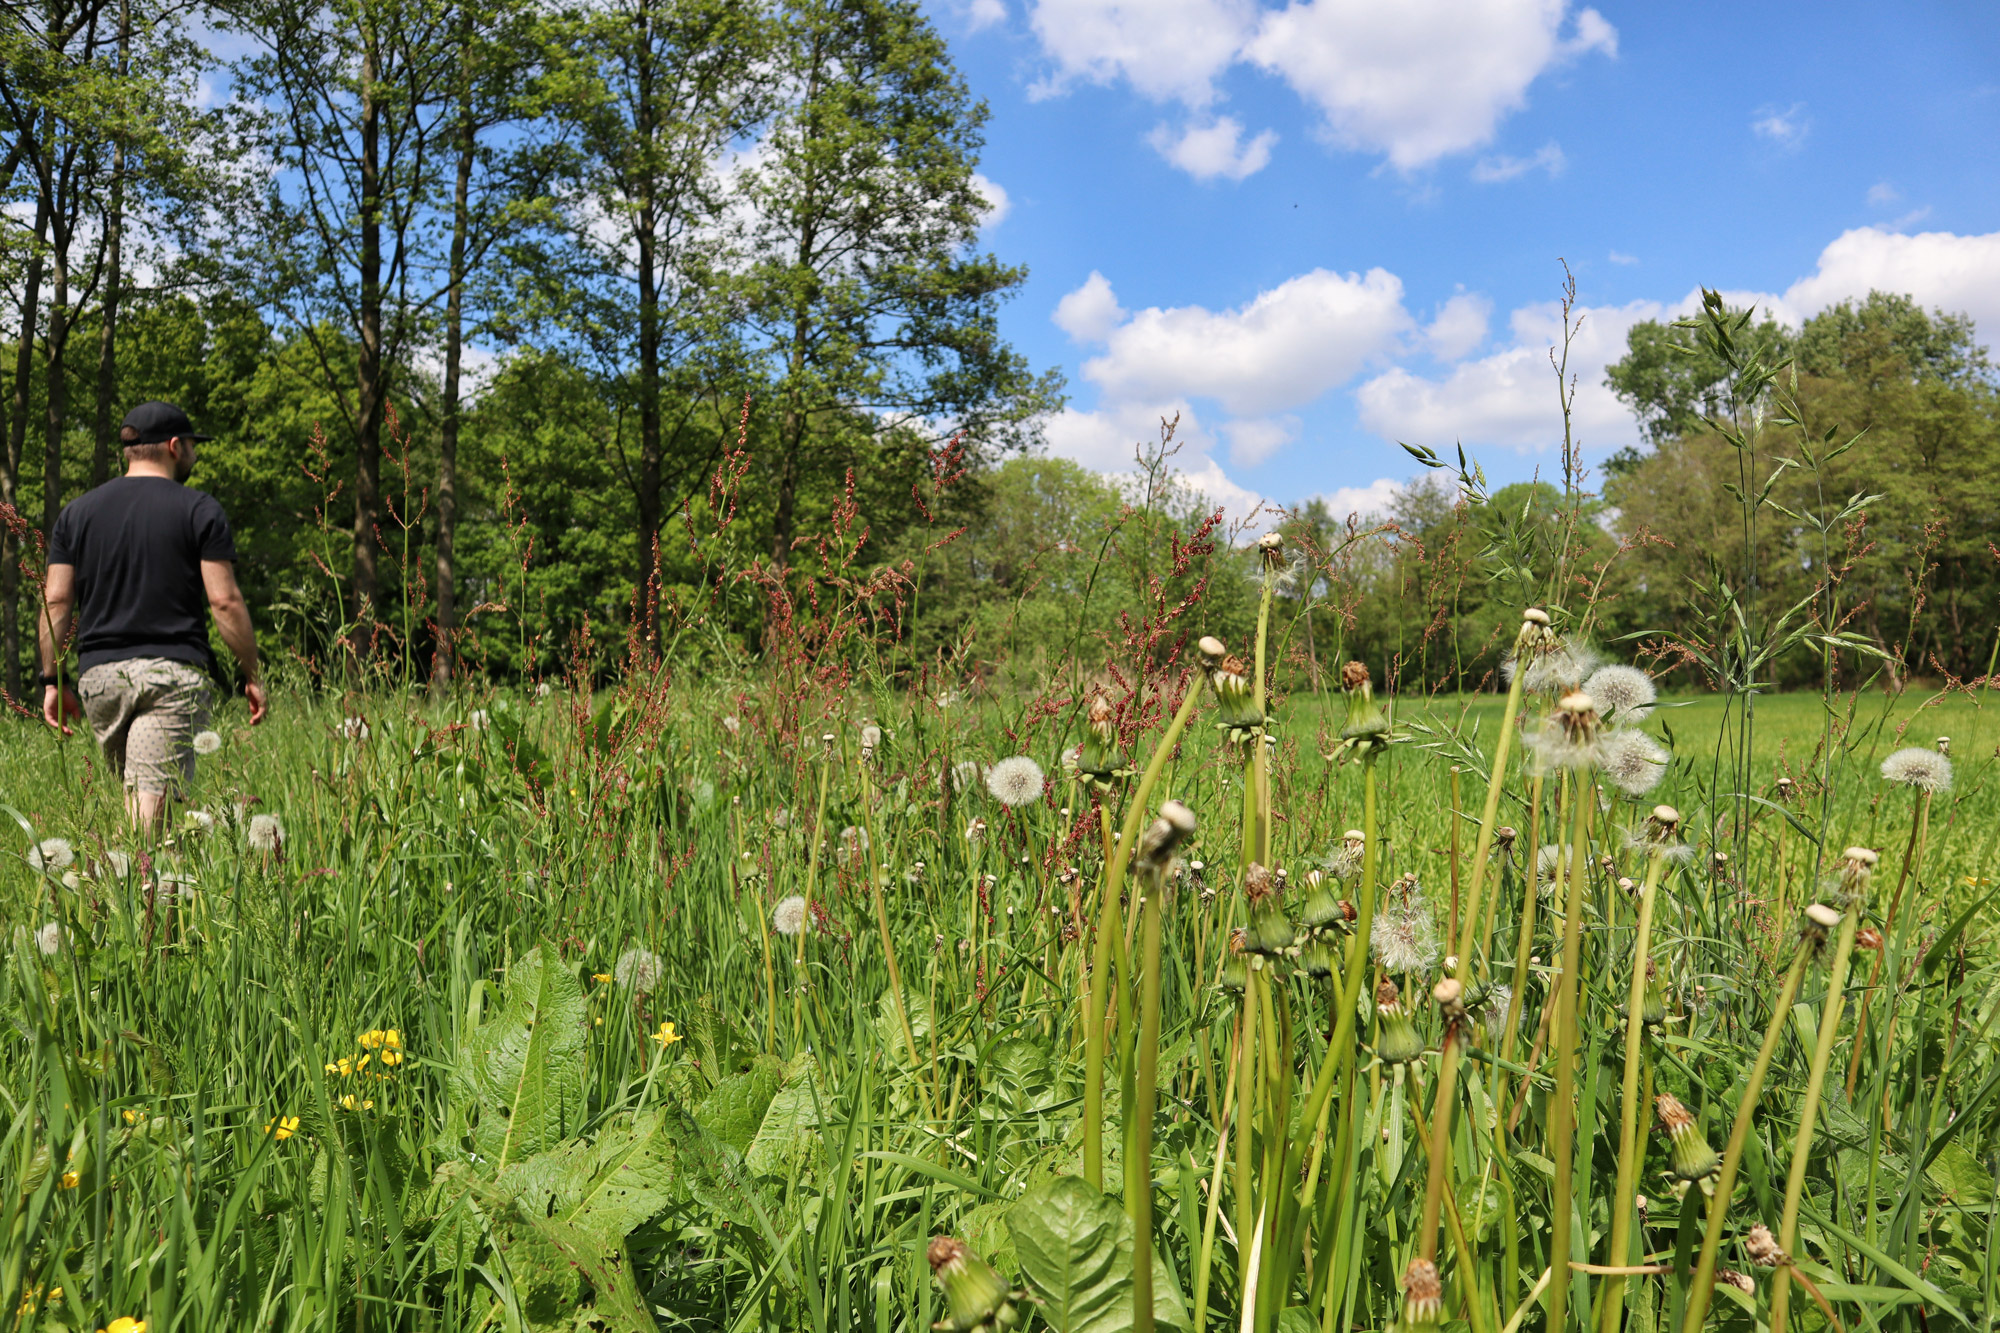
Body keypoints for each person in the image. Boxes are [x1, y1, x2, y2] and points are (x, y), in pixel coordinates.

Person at [37, 401, 268, 829]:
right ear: (175, 446)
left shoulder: (76, 514)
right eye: (194, 447)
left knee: (144, 810)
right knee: (150, 820)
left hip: (100, 681)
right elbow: (225, 602)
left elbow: (56, 601)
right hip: (170, 679)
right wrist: (251, 673)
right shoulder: (199, 509)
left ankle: (140, 893)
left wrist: (53, 680)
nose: (195, 456)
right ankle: (132, 892)